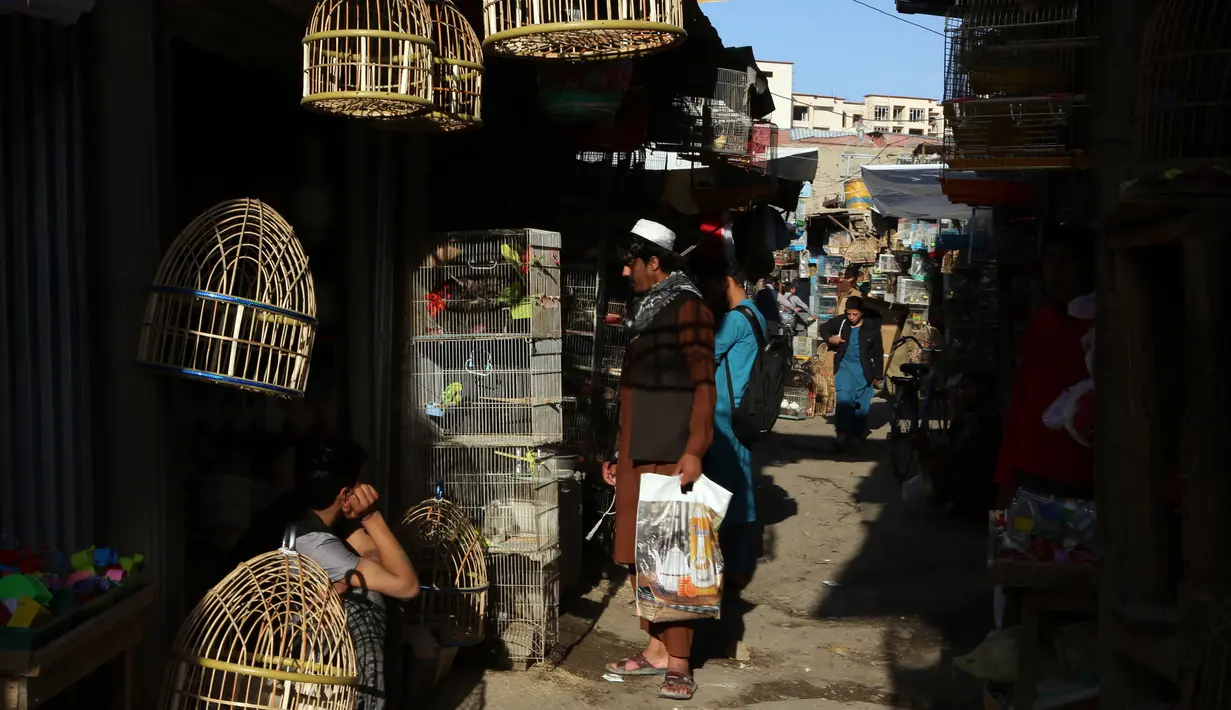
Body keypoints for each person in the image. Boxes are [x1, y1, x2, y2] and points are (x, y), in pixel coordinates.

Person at [602, 218, 716, 701]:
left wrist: (695, 449)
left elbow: (704, 385)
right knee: (636, 552)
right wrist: (616, 448)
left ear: (654, 262)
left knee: (671, 558)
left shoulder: (689, 307)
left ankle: (680, 663)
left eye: (632, 264)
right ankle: (653, 650)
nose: (626, 274)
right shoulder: (649, 307)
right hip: (637, 448)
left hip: (670, 451)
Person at [229, 439, 419, 710]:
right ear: (344, 495)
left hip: (285, 625)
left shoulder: (306, 509)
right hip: (268, 643)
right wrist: (372, 517)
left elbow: (380, 555)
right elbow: (407, 585)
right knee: (369, 601)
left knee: (369, 590)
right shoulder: (315, 540)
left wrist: (360, 562)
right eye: (361, 485)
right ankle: (369, 703)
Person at [993, 224, 1096, 507]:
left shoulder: (1104, 325)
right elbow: (1021, 401)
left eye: (1067, 261)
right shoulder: (1042, 322)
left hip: (1084, 478)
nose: (1057, 272)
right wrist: (1006, 477)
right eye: (1050, 261)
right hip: (1031, 469)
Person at [914, 372, 1001, 520]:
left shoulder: (985, 416)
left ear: (982, 389)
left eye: (967, 389)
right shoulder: (976, 414)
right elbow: (956, 442)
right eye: (961, 389)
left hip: (978, 485)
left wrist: (929, 452)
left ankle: (950, 500)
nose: (962, 394)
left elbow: (964, 455)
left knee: (934, 457)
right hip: (970, 473)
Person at [819, 297, 883, 452]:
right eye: (849, 314)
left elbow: (878, 353)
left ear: (861, 313)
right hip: (844, 367)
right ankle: (841, 434)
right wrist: (830, 338)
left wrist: (877, 374)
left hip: (863, 370)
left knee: (861, 408)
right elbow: (824, 328)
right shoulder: (841, 322)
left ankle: (856, 436)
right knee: (844, 399)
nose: (851, 317)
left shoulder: (872, 328)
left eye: (855, 314)